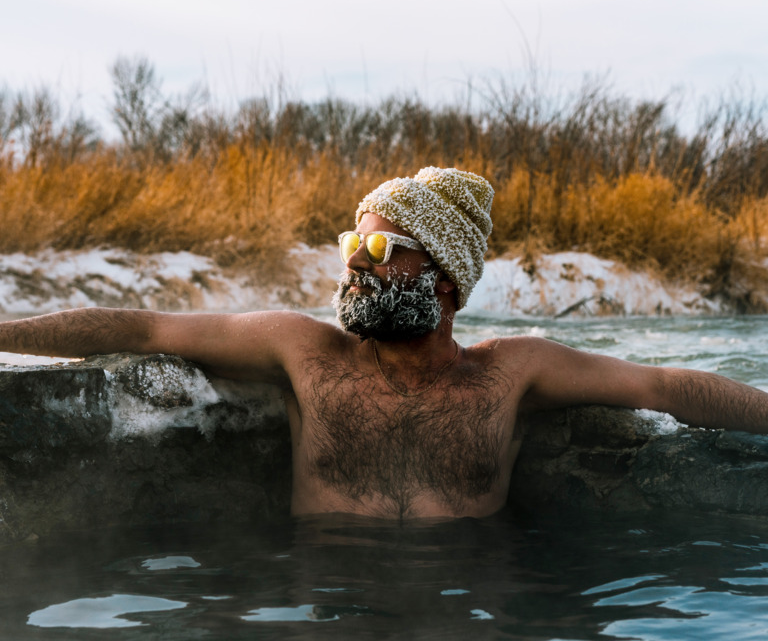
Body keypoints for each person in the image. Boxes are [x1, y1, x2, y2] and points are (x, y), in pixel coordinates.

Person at [1, 166, 767, 521]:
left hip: (473, 608)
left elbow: (663, 386)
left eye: (376, 251)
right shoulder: (303, 352)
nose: (352, 268)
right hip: (327, 606)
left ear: (442, 276)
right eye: (348, 247)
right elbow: (141, 328)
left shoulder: (513, 372)